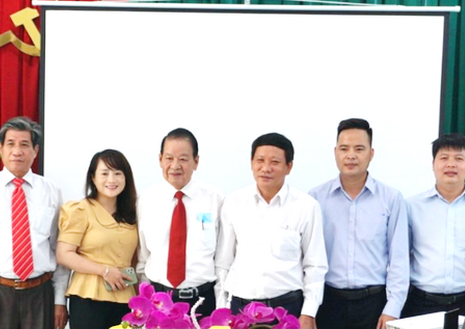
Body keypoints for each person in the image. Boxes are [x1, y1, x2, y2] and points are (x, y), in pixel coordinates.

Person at [0, 116, 69, 329]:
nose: (17, 151)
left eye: (24, 145)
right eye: (10, 144)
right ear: (1, 149)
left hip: (40, 292)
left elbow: (59, 249)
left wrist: (59, 300)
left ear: (35, 151)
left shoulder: (51, 191)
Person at [216, 133, 327, 329]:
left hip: (286, 309)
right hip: (240, 310)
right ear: (251, 163)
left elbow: (315, 266)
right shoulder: (233, 202)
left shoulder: (306, 207)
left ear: (289, 167)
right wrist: (222, 309)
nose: (266, 168)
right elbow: (224, 262)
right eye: (260, 160)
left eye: (275, 162)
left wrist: (308, 313)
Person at [309, 118, 409, 329]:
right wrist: (310, 310)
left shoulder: (391, 198)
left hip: (373, 303)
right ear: (335, 152)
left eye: (359, 148)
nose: (351, 155)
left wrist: (393, 308)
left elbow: (399, 259)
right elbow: (309, 258)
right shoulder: (316, 198)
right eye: (344, 148)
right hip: (329, 302)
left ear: (371, 153)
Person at [402, 133, 465, 328]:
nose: (451, 165)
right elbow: (399, 258)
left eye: (459, 159)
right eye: (444, 158)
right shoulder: (411, 206)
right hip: (419, 303)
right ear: (433, 164)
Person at [136, 128, 224, 318]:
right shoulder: (146, 199)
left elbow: (222, 258)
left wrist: (222, 305)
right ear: (160, 160)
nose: (175, 165)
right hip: (158, 301)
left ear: (196, 161)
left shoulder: (215, 199)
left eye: (183, 159)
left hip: (204, 301)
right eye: (169, 158)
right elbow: (142, 256)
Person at [57, 149, 138, 329]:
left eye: (118, 173)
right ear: (93, 178)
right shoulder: (80, 210)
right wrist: (105, 271)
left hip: (126, 298)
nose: (111, 179)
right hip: (89, 298)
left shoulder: (134, 213)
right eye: (104, 173)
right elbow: (64, 254)